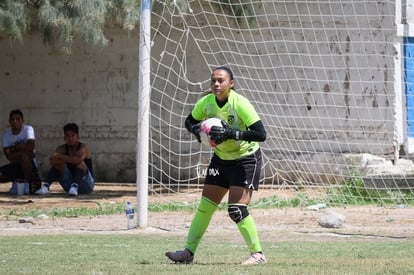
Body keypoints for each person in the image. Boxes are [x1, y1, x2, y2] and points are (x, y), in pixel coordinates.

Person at [165, 66, 267, 265]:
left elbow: (261, 134)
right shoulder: (206, 102)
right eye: (213, 80)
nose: (216, 84)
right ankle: (188, 252)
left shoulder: (240, 104)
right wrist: (197, 130)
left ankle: (258, 255)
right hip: (220, 160)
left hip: (245, 159)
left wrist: (232, 133)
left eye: (221, 80)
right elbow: (189, 121)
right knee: (205, 207)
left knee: (236, 209)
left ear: (231, 84)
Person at [35, 123, 94, 196]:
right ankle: (46, 186)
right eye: (68, 136)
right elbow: (52, 161)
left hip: (86, 185)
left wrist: (61, 156)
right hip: (68, 186)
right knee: (58, 164)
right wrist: (66, 159)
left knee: (81, 163)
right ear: (64, 138)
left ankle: (74, 186)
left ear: (78, 136)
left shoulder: (83, 147)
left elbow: (78, 160)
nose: (70, 139)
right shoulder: (61, 148)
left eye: (73, 136)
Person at [0, 109, 39, 194]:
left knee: (25, 157)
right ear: (9, 121)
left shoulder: (28, 129)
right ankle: (17, 181)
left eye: (18, 119)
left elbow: (31, 146)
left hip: (30, 167)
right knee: (24, 154)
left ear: (22, 121)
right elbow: (9, 156)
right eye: (12, 119)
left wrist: (14, 148)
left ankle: (27, 184)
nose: (15, 121)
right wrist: (23, 149)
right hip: (14, 166)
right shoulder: (6, 135)